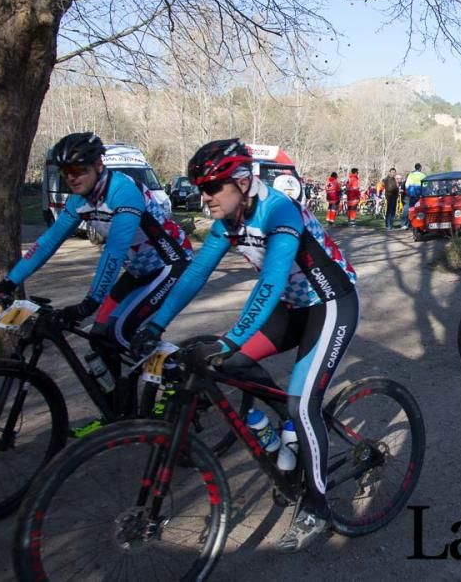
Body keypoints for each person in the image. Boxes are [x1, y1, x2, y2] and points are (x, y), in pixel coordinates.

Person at [130, 139, 358, 553]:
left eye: (213, 187)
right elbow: (195, 274)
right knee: (229, 365)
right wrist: (155, 323)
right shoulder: (227, 222)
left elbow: (270, 281)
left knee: (301, 404)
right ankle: (284, 436)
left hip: (329, 303)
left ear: (242, 181)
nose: (204, 196)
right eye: (201, 187)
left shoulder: (279, 210)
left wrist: (228, 338)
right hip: (291, 306)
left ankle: (318, 506)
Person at [0, 133, 193, 431]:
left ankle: (178, 382)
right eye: (66, 172)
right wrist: (9, 281)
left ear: (98, 165)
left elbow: (114, 252)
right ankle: (116, 413)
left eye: (79, 170)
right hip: (138, 269)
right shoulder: (79, 201)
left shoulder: (123, 192)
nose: (72, 177)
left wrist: (90, 302)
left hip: (169, 264)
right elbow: (47, 243)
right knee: (99, 336)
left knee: (123, 334)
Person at [401, 163, 426, 229]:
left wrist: (408, 192)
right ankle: (417, 224)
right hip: (419, 195)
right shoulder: (423, 175)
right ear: (420, 168)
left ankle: (405, 224)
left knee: (409, 209)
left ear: (415, 168)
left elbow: (407, 185)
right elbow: (425, 186)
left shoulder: (410, 175)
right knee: (419, 210)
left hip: (411, 194)